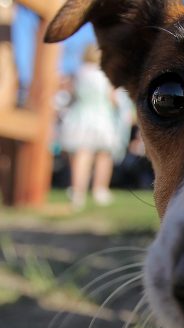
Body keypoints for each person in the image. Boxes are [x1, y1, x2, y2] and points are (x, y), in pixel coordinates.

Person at [59, 44, 118, 209]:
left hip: (80, 116)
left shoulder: (79, 72)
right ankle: (100, 190)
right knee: (103, 156)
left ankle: (78, 192)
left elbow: (71, 95)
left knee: (81, 155)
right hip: (101, 117)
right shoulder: (106, 73)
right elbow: (112, 98)